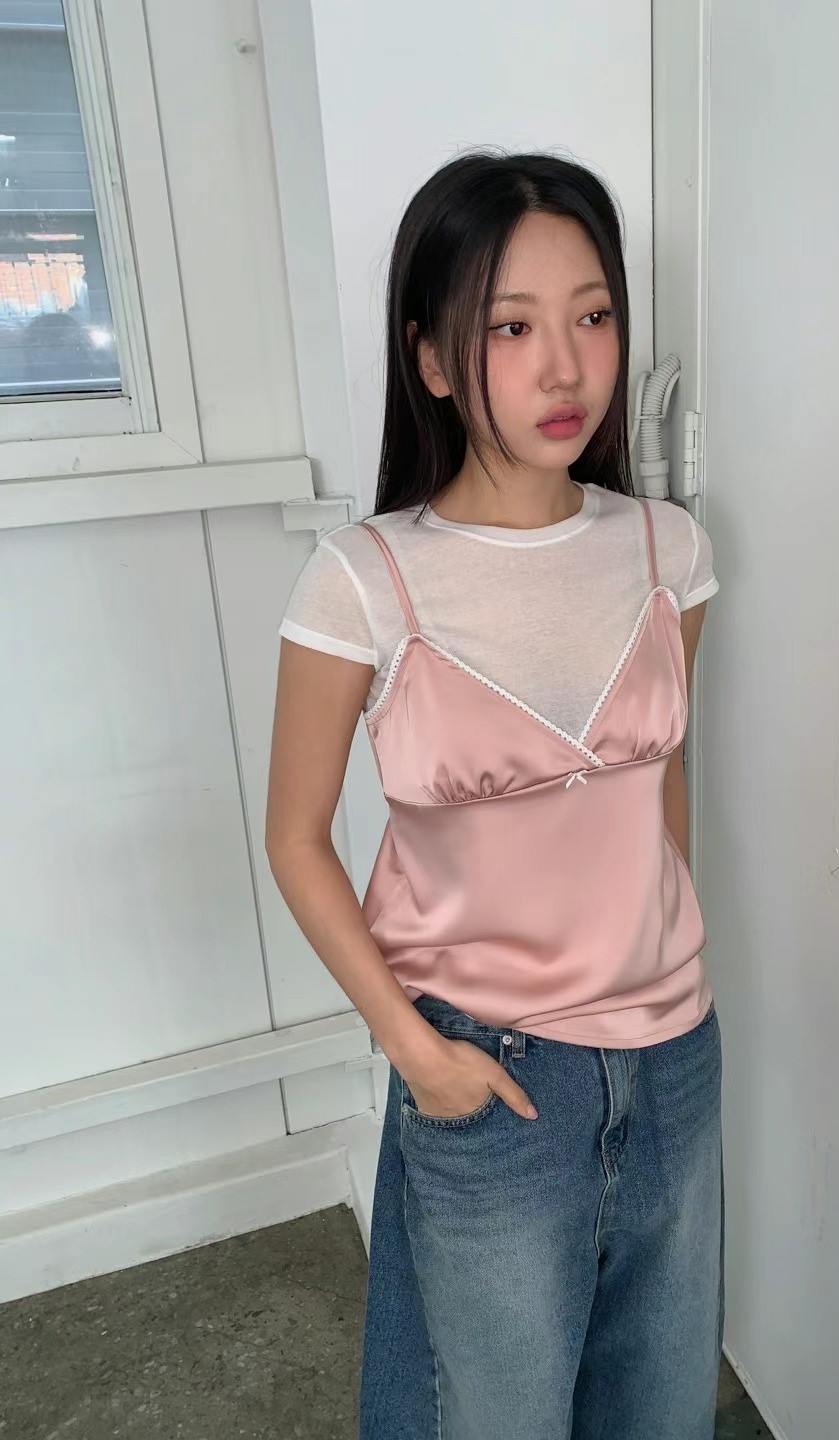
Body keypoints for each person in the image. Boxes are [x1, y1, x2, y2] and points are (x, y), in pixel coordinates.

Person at [265, 149, 724, 1440]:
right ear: (431, 358)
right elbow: (294, 838)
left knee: (661, 1407)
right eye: (510, 328)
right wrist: (416, 1053)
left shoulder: (669, 547)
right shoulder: (365, 579)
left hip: (674, 1057)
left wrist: (674, 964)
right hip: (491, 1070)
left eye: (593, 315)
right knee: (492, 1416)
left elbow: (662, 777)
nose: (565, 367)